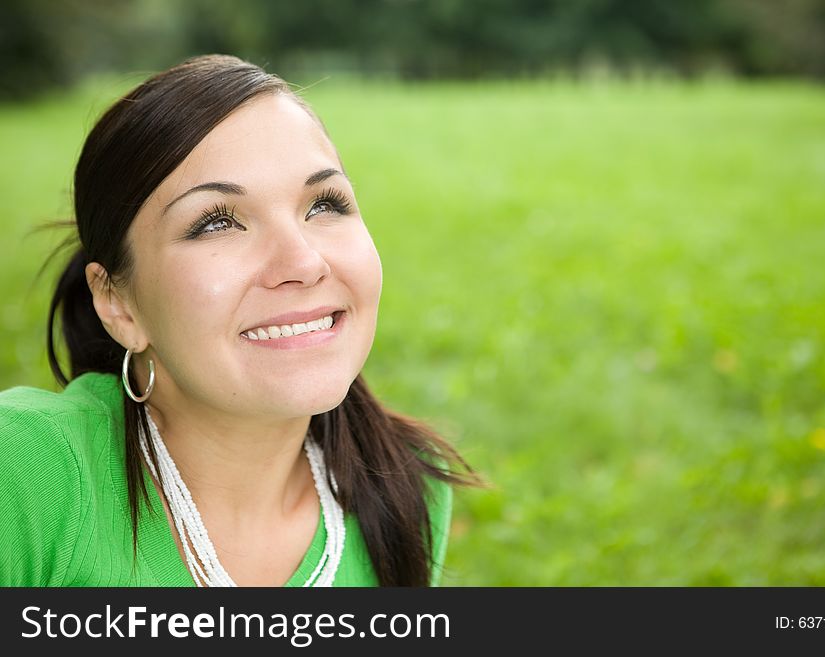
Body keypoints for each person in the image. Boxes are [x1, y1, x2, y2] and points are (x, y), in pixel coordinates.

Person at [0, 54, 476, 587]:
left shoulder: (406, 487)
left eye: (324, 204)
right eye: (217, 223)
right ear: (118, 303)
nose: (302, 263)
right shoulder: (23, 472)